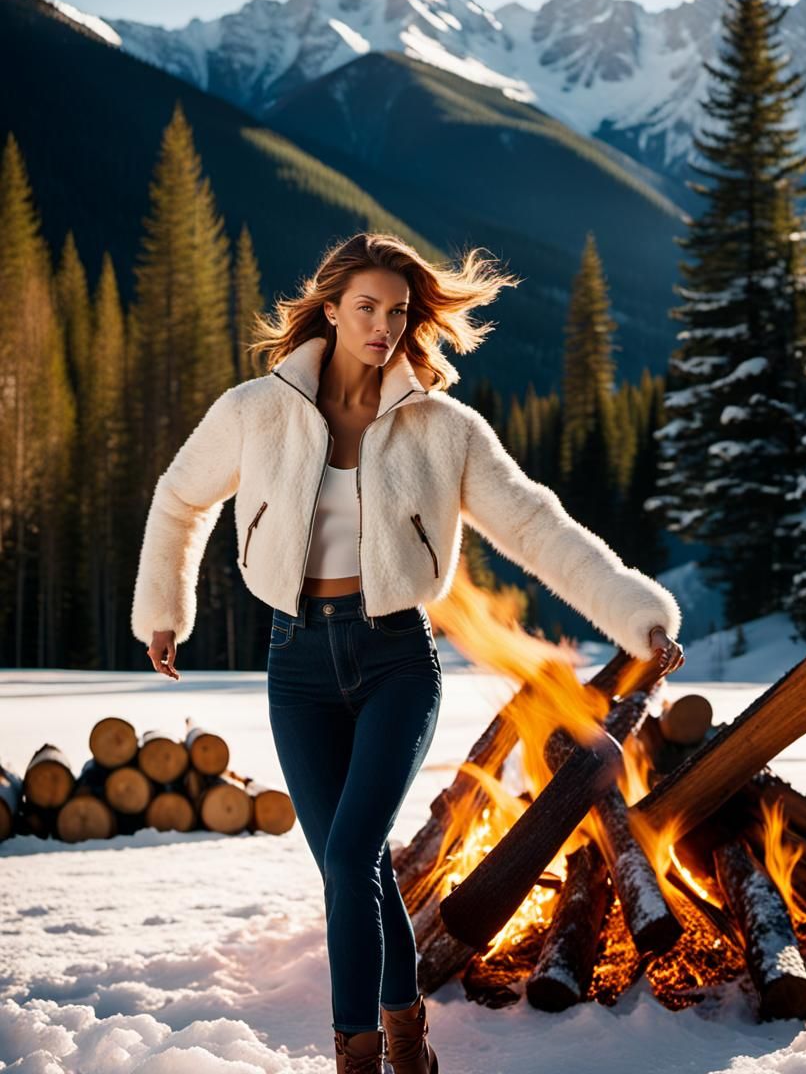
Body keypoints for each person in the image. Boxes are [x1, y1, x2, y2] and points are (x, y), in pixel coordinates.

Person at [132, 231, 684, 1074]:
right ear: (329, 310)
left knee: (351, 856)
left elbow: (536, 525)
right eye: (366, 308)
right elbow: (179, 498)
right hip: (296, 663)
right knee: (350, 870)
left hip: (396, 660)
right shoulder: (255, 411)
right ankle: (407, 1039)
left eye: (396, 311)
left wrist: (637, 615)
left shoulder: (442, 427)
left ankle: (356, 1057)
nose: (383, 326)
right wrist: (165, 609)